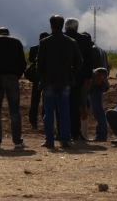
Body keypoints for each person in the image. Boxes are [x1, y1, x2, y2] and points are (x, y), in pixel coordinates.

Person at [36, 15, 83, 148]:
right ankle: (65, 140)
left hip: (49, 81)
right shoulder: (71, 42)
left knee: (49, 112)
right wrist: (71, 73)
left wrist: (43, 75)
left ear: (51, 26)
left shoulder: (45, 42)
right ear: (62, 26)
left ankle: (49, 140)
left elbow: (39, 64)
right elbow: (79, 63)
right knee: (64, 112)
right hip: (65, 81)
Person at [63, 18, 93, 141]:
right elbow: (89, 59)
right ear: (76, 27)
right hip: (79, 77)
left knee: (62, 105)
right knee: (75, 105)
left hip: (62, 77)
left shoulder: (60, 38)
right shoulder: (84, 39)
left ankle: (62, 132)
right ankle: (76, 133)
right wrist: (89, 76)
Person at [80, 67, 110, 142]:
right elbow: (84, 91)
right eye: (101, 81)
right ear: (99, 75)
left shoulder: (93, 79)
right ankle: (101, 135)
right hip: (92, 91)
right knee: (98, 111)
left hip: (93, 91)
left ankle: (102, 135)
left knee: (98, 111)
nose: (100, 83)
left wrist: (84, 106)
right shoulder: (92, 78)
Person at [28, 31, 50, 130]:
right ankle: (46, 121)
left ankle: (33, 123)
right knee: (46, 101)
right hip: (47, 78)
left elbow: (31, 60)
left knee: (34, 101)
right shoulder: (51, 49)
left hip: (36, 78)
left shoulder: (34, 49)